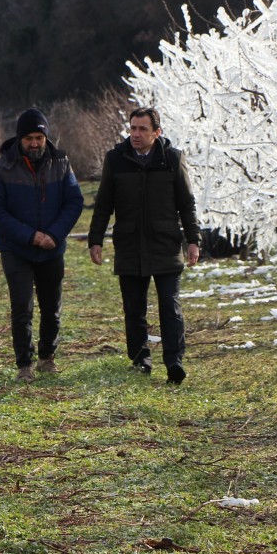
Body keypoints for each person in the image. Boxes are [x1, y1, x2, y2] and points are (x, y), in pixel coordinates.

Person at [88, 107, 201, 384]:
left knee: (169, 305)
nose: (136, 134)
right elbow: (104, 204)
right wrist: (95, 239)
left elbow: (186, 204)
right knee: (134, 307)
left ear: (156, 132)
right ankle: (140, 359)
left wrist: (194, 240)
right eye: (133, 128)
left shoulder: (172, 159)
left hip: (165, 243)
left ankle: (174, 361)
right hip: (129, 243)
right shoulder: (116, 160)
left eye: (142, 129)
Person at [0, 108, 85, 383]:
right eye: (29, 138)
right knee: (22, 307)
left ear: (45, 137)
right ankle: (24, 364)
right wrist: (31, 236)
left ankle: (47, 357)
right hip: (16, 248)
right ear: (20, 138)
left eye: (39, 137)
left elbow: (74, 201)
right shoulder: (2, 167)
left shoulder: (61, 163)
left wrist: (54, 234)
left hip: (52, 247)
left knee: (51, 305)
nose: (34, 143)